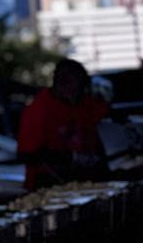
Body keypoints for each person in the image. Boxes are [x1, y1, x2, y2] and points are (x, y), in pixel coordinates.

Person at [16, 58, 108, 190]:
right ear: (62, 84)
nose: (82, 92)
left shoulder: (83, 104)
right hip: (48, 185)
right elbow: (27, 155)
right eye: (78, 87)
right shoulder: (38, 110)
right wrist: (71, 157)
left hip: (85, 181)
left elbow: (96, 129)